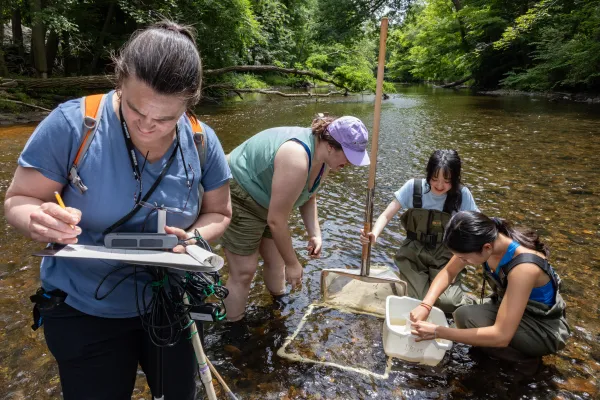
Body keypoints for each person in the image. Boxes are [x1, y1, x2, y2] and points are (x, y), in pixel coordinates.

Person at [3, 21, 232, 399]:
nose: (147, 127)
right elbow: (18, 199)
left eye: (165, 119)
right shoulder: (74, 125)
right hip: (83, 309)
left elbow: (219, 213)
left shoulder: (202, 140)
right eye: (135, 110)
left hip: (172, 304)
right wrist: (37, 219)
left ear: (190, 104)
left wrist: (194, 237)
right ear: (119, 81)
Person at [222, 115, 370, 321]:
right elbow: (276, 221)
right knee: (245, 271)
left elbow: (309, 193)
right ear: (330, 146)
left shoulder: (324, 160)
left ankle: (279, 308)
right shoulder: (296, 158)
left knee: (276, 261)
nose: (350, 163)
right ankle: (233, 330)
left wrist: (314, 233)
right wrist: (294, 264)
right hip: (240, 191)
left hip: (268, 197)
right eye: (348, 156)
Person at [410, 211, 570, 362]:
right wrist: (425, 305)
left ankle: (523, 362)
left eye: (464, 259)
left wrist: (439, 332)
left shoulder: (524, 268)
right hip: (517, 311)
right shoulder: (487, 238)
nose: (461, 261)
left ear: (487, 248)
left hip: (543, 329)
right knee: (463, 315)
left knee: (470, 319)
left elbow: (501, 335)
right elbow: (449, 272)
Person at [359, 149, 478, 312]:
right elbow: (386, 215)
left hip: (445, 256)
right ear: (428, 174)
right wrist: (374, 234)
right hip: (413, 255)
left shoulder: (462, 195)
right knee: (417, 302)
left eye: (447, 181)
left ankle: (475, 304)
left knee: (447, 303)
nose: (440, 186)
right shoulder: (414, 188)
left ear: (456, 179)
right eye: (435, 179)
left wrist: (463, 259)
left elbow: (476, 229)